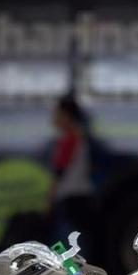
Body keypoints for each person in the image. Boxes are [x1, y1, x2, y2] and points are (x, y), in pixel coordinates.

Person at [51, 95, 95, 241]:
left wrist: (50, 194)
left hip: (70, 194)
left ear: (67, 116)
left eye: (57, 114)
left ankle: (71, 265)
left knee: (69, 238)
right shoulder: (81, 135)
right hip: (82, 191)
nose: (54, 118)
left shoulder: (69, 138)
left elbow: (60, 169)